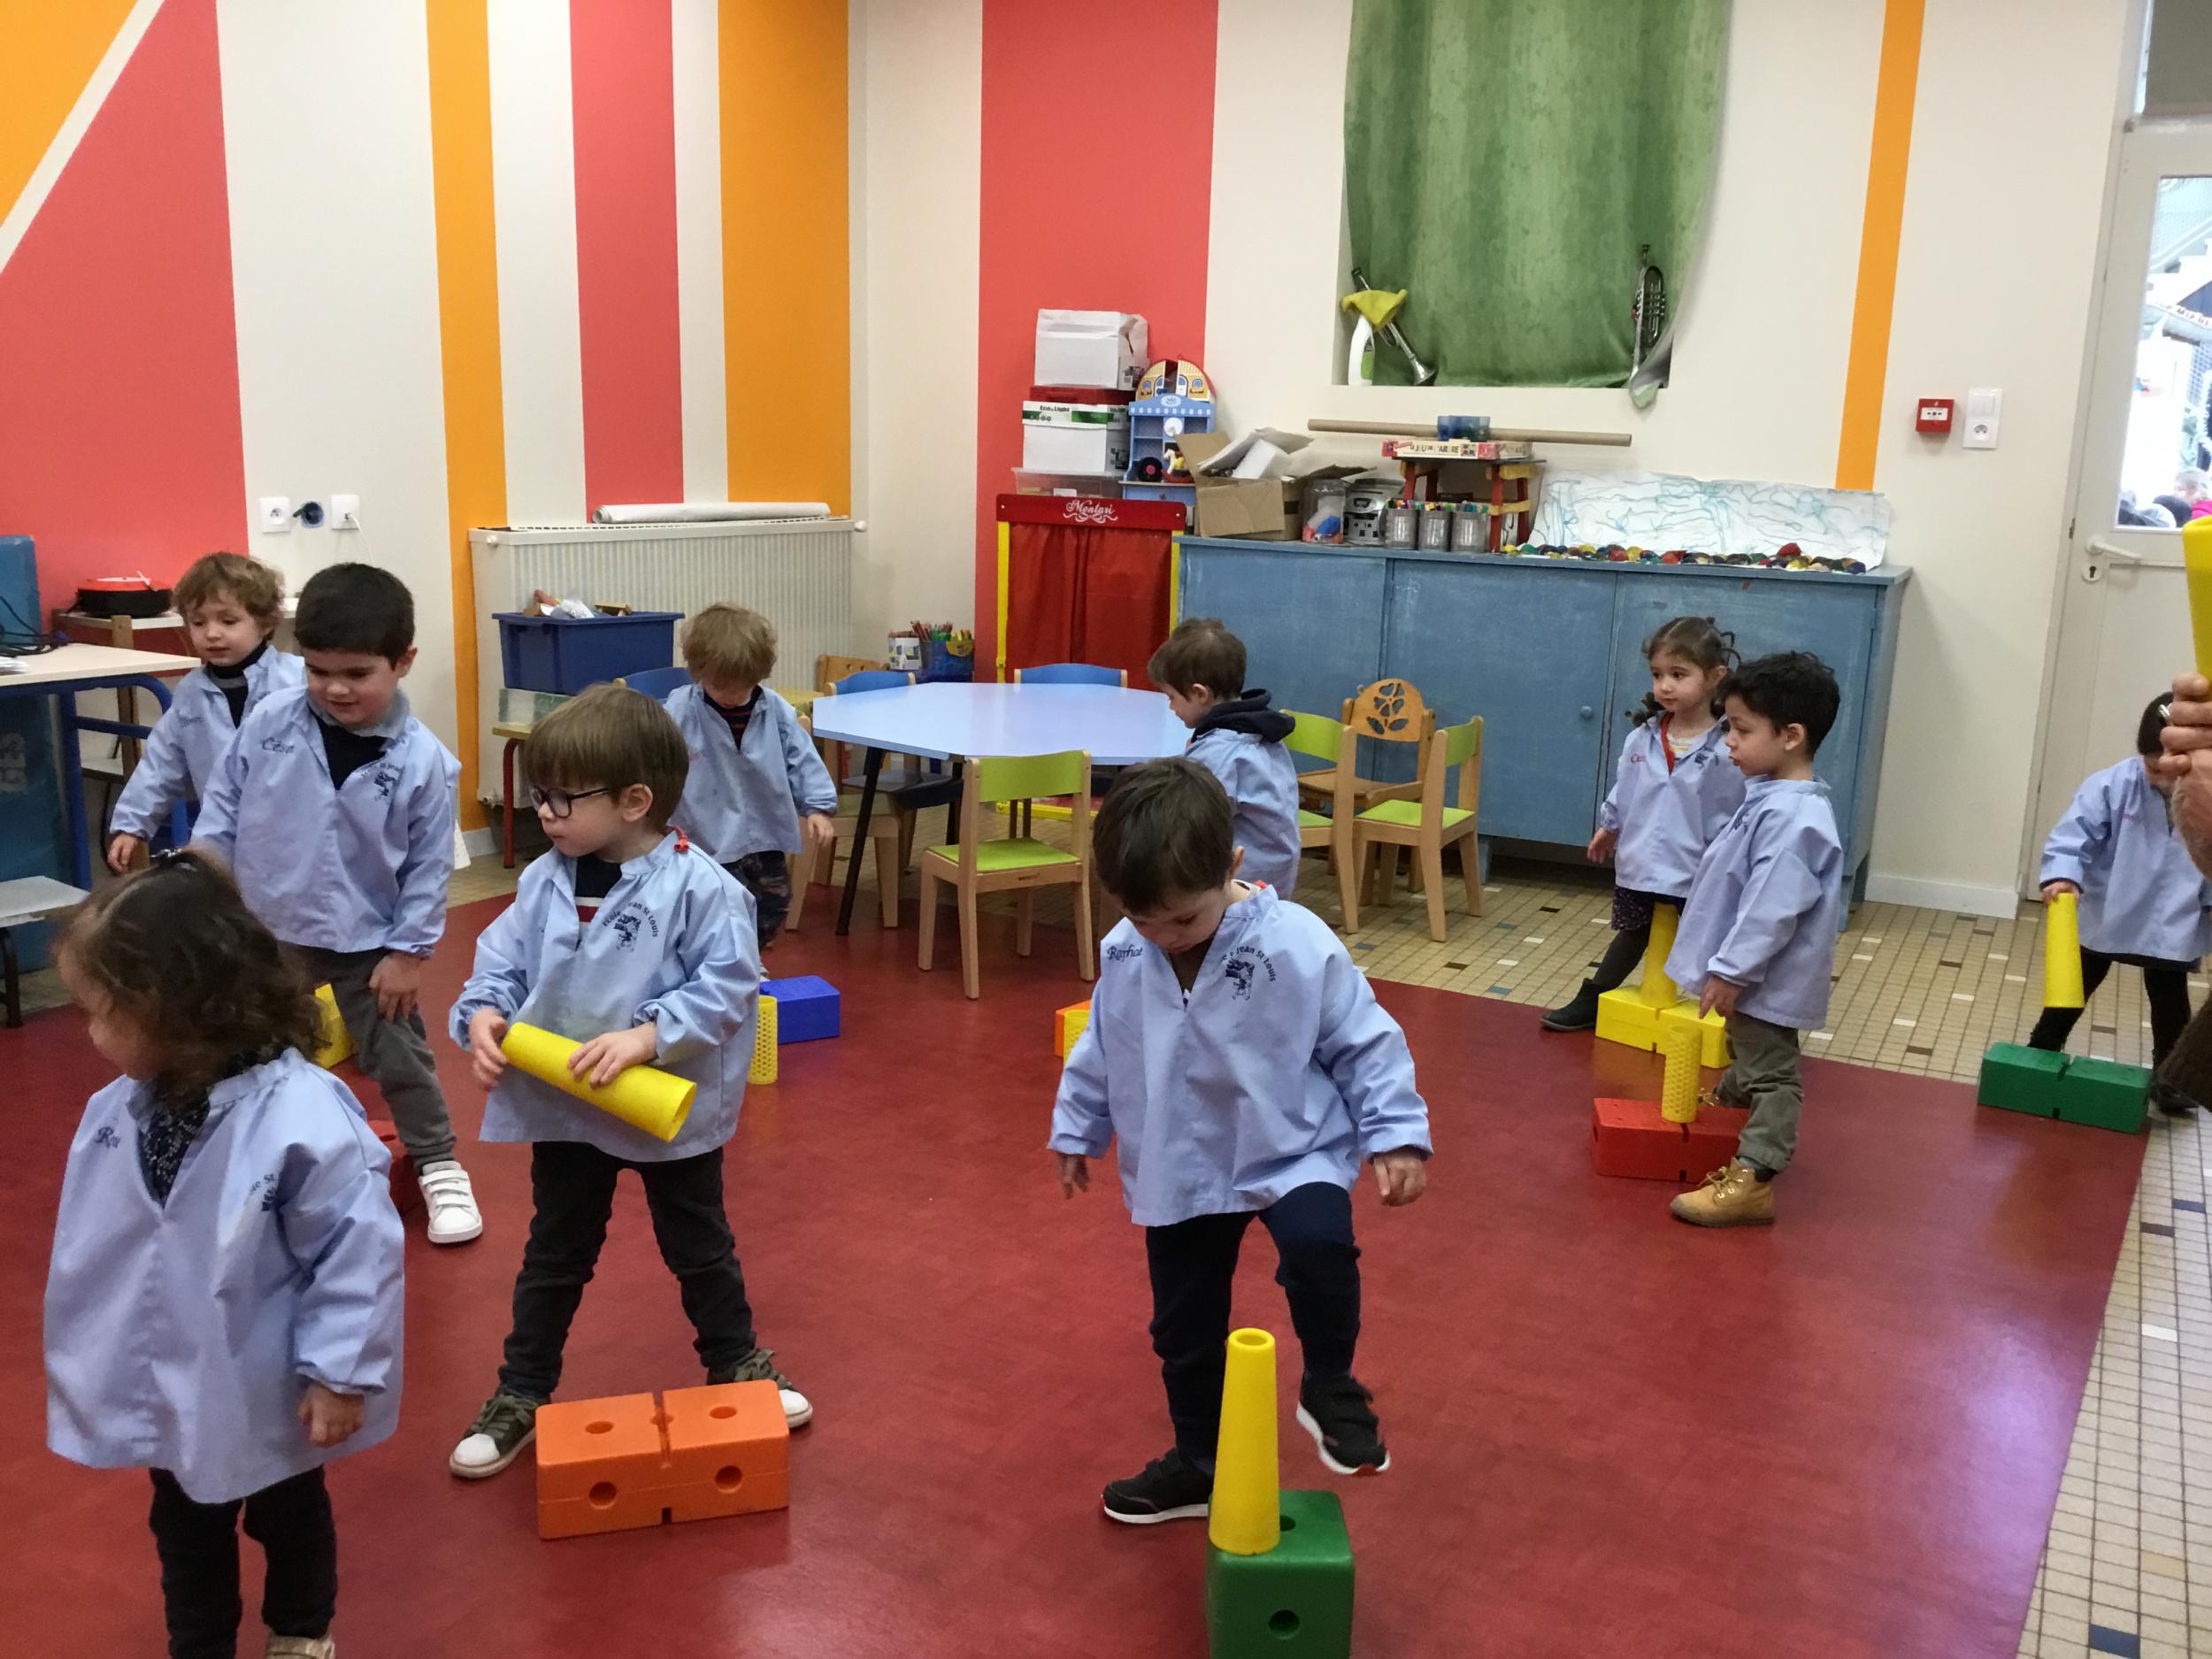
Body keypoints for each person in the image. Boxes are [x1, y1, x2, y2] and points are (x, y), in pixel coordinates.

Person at [1049, 759, 1431, 1524]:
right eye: (1142, 919)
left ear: (1231, 865)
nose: (1162, 938)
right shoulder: (1126, 951)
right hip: (1181, 1158)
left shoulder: (1296, 943)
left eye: (1181, 920)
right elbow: (1104, 1043)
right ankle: (1200, 1461)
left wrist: (1395, 1133)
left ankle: (1329, 1383)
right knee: (1183, 1325)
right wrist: (1078, 1127)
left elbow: (1365, 1040)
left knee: (1321, 1244)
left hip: (1290, 1142)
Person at [44, 851, 404, 1659]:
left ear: (180, 1009)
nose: (91, 1034)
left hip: (271, 1379)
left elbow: (356, 1253)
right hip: (175, 1376)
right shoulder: (123, 1109)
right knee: (184, 1523)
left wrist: (340, 1371)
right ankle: (199, 1644)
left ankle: (300, 1629)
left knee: (288, 1510)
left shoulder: (302, 1118)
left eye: (103, 1013)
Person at [446, 685, 809, 1481]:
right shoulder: (544, 880)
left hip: (663, 1107)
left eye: (561, 798)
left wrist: (650, 1035)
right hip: (567, 1108)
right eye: (539, 795)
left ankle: (737, 1363)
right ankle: (520, 1391)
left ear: (635, 801)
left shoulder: (704, 888)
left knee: (699, 1247)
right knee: (554, 1254)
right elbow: (500, 964)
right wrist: (483, 1015)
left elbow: (729, 985)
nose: (544, 813)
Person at [192, 563, 480, 1246]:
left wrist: (409, 953)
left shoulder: (424, 762)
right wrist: (202, 877)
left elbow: (428, 868)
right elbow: (225, 803)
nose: (335, 688)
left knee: (400, 1057)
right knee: (243, 1047)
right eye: (318, 670)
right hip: (270, 928)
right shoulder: (271, 720)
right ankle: (231, 1162)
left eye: (357, 673)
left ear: (403, 661)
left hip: (369, 939)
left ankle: (439, 1164)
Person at [1662, 652, 1847, 1228]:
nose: (1729, 743)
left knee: (1772, 1069)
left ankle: (1755, 1175)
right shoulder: (1772, 796)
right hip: (1751, 973)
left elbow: (1771, 907)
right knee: (1747, 1044)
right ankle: (1730, 1108)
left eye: (1742, 730)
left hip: (1763, 976)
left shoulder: (1794, 818)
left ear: (1791, 736)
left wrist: (1732, 970)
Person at [1543, 616, 1743, 1031]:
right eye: (1657, 674)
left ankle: (1735, 1022)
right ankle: (1592, 999)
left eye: (1678, 674)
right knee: (1633, 934)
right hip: (1641, 862)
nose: (1665, 685)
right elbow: (1626, 788)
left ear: (1715, 677)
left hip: (1699, 866)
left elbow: (1739, 805)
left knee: (1708, 938)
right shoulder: (1643, 737)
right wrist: (1610, 825)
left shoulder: (1729, 746)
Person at [2029, 691, 2211, 1110]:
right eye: (2153, 768)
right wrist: (2062, 875)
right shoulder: (2112, 785)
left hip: (2175, 916)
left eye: (2172, 770)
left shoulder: (2206, 795)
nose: (2163, 780)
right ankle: (2040, 1051)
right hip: (2111, 908)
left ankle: (2171, 1080)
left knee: (2169, 1001)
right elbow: (2073, 834)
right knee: (2073, 987)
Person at [106, 552, 304, 873]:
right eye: (198, 623)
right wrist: (132, 824)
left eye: (228, 621)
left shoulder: (297, 681)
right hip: (222, 837)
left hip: (298, 837)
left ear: (265, 623)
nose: (212, 633)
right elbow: (162, 763)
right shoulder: (191, 693)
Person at [659, 603, 837, 947]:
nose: (731, 696)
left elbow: (802, 756)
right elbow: (654, 760)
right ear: (698, 673)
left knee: (773, 903)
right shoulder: (679, 711)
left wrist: (817, 807)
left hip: (764, 830)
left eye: (742, 687)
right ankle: (724, 961)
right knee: (716, 909)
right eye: (719, 686)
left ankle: (751, 956)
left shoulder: (775, 710)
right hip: (706, 835)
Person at [1148, 617, 1302, 897]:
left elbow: (1186, 813)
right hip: (1275, 872)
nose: (1170, 707)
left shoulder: (1220, 751)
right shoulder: (1258, 732)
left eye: (1171, 697)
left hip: (1241, 882)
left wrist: (1190, 761)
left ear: (1199, 693)